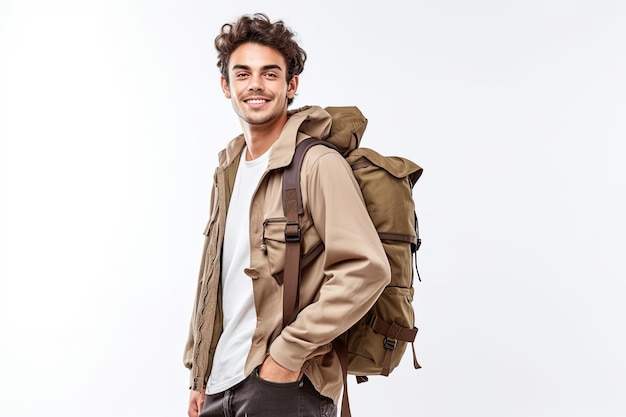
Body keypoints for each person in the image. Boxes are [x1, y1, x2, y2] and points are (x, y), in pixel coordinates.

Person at [183, 13, 391, 417]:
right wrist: (200, 374)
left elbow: (367, 268)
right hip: (220, 384)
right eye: (242, 74)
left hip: (282, 387)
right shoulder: (227, 170)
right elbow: (217, 278)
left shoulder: (315, 163)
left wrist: (285, 356)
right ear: (226, 86)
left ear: (290, 85)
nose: (255, 84)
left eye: (270, 74)